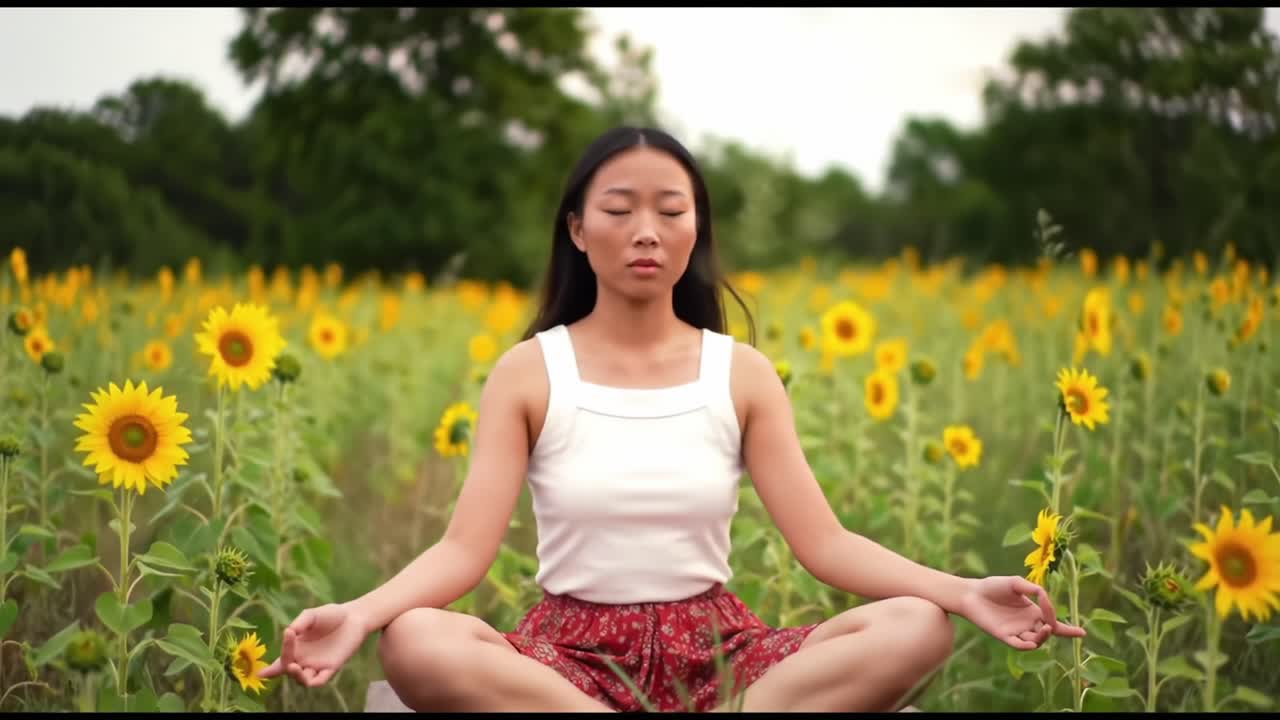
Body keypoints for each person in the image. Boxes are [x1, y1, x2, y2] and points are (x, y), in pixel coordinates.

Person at [257, 126, 1086, 713]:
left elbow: (825, 545)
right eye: (618, 210)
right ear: (578, 230)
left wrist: (965, 593)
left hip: (721, 658)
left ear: (697, 230)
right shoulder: (530, 372)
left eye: (671, 211)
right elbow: (463, 552)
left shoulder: (742, 375)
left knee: (916, 629)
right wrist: (361, 614)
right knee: (414, 644)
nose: (646, 231)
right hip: (565, 665)